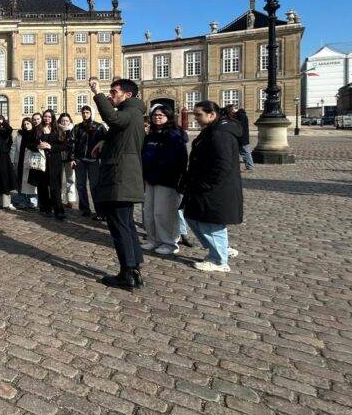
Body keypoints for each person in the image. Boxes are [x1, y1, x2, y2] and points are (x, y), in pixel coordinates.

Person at [90, 78, 147, 290]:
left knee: (120, 226)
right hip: (123, 177)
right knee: (127, 225)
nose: (111, 96)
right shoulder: (133, 112)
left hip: (120, 177)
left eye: (114, 92)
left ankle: (127, 274)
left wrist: (97, 92)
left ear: (127, 95)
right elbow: (120, 131)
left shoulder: (130, 112)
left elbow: (113, 119)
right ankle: (134, 270)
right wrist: (105, 141)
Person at [182, 101, 244, 272]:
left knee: (213, 223)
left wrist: (207, 184)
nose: (196, 118)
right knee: (192, 217)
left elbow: (223, 164)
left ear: (212, 114)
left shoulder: (220, 133)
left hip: (215, 188)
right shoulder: (212, 130)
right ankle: (220, 248)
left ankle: (219, 260)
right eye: (194, 114)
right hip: (202, 184)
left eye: (198, 114)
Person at [140, 105, 188, 256]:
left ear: (168, 117)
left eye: (160, 115)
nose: (157, 117)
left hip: (166, 180)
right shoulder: (151, 135)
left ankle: (169, 242)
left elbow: (180, 160)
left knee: (163, 213)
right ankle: (153, 239)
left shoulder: (174, 135)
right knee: (149, 212)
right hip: (150, 179)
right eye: (155, 115)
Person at [72, 106, 106, 218]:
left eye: (87, 112)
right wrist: (73, 158)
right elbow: (72, 143)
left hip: (93, 161)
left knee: (94, 186)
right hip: (80, 160)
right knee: (80, 186)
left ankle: (99, 211)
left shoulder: (99, 127)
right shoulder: (77, 127)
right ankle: (85, 208)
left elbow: (105, 142)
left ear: (92, 113)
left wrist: (100, 155)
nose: (85, 114)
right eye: (83, 112)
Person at [34, 110, 68, 219]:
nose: (47, 119)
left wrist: (51, 147)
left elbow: (64, 145)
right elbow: (30, 143)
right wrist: (37, 146)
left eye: (49, 117)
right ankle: (45, 208)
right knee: (43, 186)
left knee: (55, 187)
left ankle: (59, 210)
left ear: (52, 118)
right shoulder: (38, 129)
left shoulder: (58, 129)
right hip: (41, 161)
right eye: (45, 116)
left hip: (54, 161)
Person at [11, 117, 39, 209]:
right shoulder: (19, 135)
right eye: (24, 124)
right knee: (21, 182)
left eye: (28, 124)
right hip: (20, 160)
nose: (26, 126)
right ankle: (23, 201)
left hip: (31, 161)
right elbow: (14, 148)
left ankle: (33, 201)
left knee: (31, 183)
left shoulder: (35, 134)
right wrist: (12, 160)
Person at [225, 105, 254, 171]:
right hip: (241, 137)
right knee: (243, 152)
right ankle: (248, 167)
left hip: (242, 137)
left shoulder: (240, 116)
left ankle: (250, 167)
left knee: (245, 152)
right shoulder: (240, 115)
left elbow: (238, 126)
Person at [58, 112, 77, 207]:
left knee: (71, 179)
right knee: (59, 180)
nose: (65, 122)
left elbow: (74, 145)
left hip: (70, 159)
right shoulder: (57, 130)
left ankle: (71, 200)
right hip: (59, 158)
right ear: (60, 121)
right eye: (63, 121)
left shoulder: (73, 130)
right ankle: (60, 200)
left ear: (70, 121)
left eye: (66, 120)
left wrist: (73, 158)